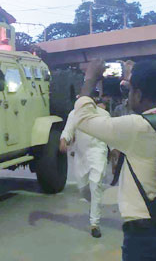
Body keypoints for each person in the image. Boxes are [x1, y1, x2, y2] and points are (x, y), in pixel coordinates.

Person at [72, 60, 156, 260]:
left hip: (147, 235)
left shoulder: (137, 127)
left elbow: (82, 118)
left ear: (139, 94)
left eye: (131, 90)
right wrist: (132, 79)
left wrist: (90, 79)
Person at [60, 99, 109, 238]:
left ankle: (95, 224)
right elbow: (68, 130)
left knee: (95, 185)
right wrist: (63, 140)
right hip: (81, 156)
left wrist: (115, 150)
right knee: (84, 190)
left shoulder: (104, 115)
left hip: (98, 152)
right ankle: (94, 203)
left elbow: (111, 134)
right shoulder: (73, 114)